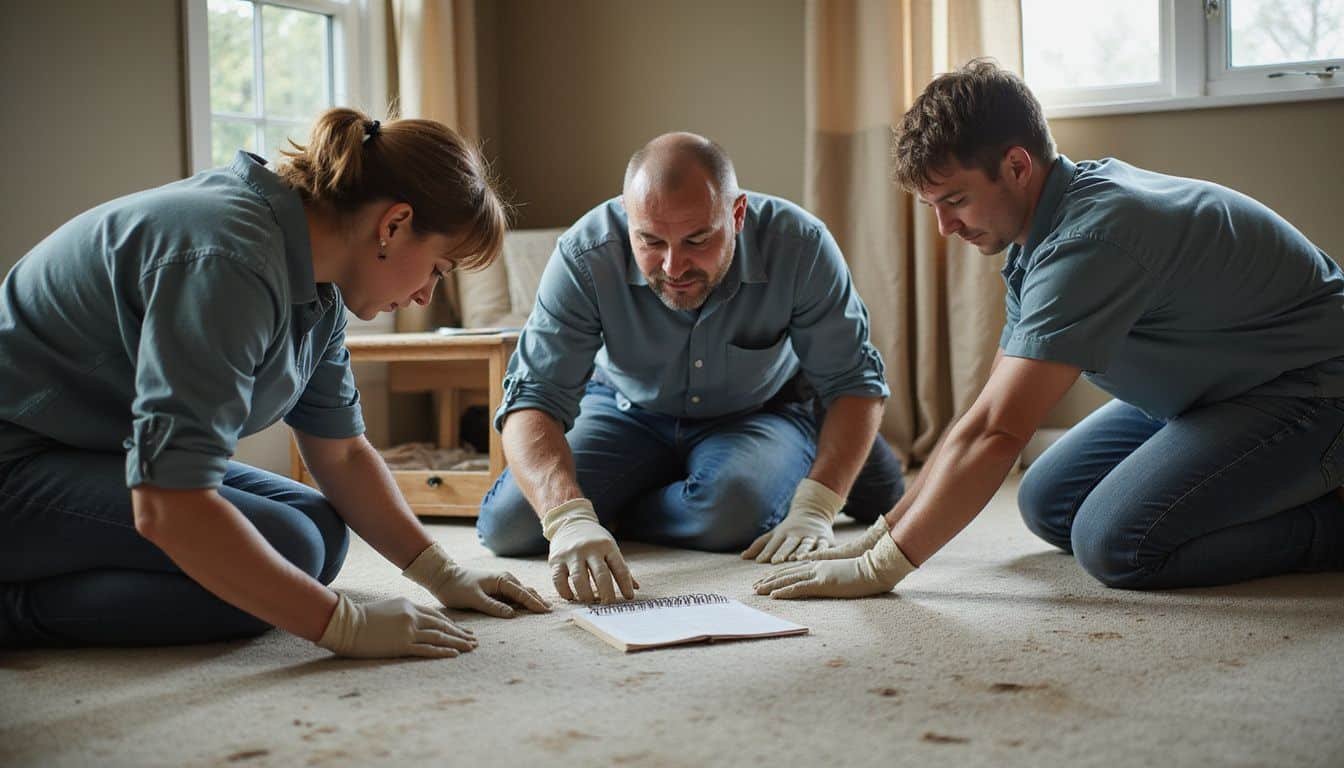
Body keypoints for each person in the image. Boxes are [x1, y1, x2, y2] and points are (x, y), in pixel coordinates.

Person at [755, 58, 1344, 599]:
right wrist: (882, 532)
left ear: (1016, 165)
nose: (944, 227)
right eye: (932, 205)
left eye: (955, 200)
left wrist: (879, 571)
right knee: (1047, 501)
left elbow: (998, 433)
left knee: (1116, 544)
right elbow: (983, 414)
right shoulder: (1039, 233)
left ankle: (1329, 523)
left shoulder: (1091, 239)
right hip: (1211, 388)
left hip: (1309, 388)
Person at [0, 108, 551, 657]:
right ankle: (15, 613)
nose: (427, 295)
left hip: (84, 451)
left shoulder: (317, 283)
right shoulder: (229, 258)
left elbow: (341, 456)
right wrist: (342, 626)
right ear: (393, 224)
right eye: (438, 268)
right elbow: (169, 504)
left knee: (318, 531)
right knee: (270, 559)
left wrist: (442, 574)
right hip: (18, 456)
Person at [477, 132, 906, 604]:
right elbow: (532, 395)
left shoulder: (799, 243)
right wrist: (569, 517)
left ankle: (634, 499)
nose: (673, 265)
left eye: (697, 239)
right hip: (625, 407)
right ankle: (629, 499)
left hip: (758, 409)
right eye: (650, 240)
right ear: (626, 215)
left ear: (736, 214)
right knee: (511, 527)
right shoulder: (584, 254)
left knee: (745, 512)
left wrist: (817, 506)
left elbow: (853, 381)